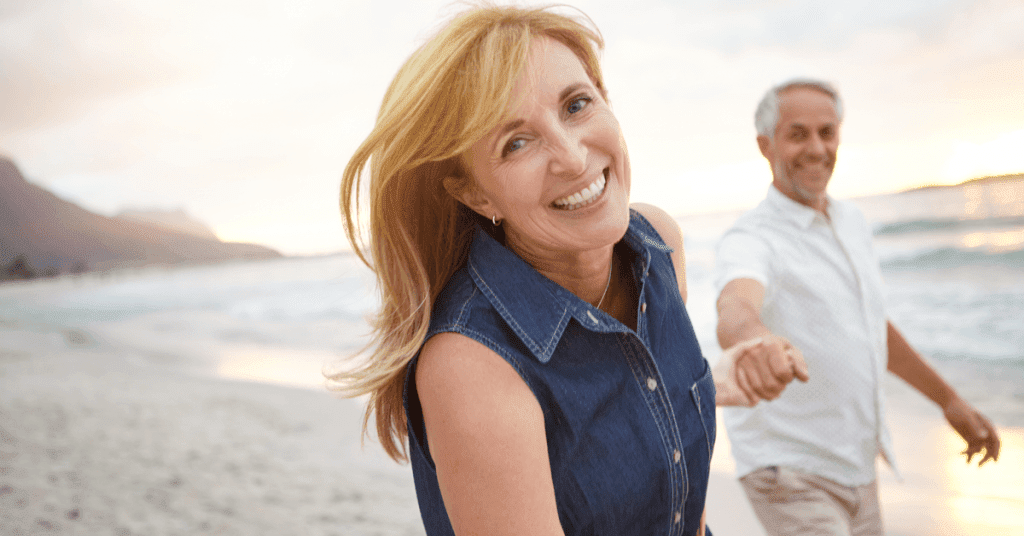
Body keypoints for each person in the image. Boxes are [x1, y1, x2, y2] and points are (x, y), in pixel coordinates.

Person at [329, 5, 792, 536]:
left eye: (576, 104)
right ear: (475, 192)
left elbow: (682, 499)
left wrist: (716, 377)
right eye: (517, 143)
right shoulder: (470, 363)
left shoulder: (658, 245)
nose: (572, 158)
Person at [714, 78, 1002, 536]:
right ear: (765, 145)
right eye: (798, 134)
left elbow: (870, 327)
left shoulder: (852, 222)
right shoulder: (751, 238)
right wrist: (758, 342)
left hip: (857, 467)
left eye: (827, 133)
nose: (816, 148)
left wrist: (948, 400)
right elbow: (735, 306)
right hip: (787, 471)